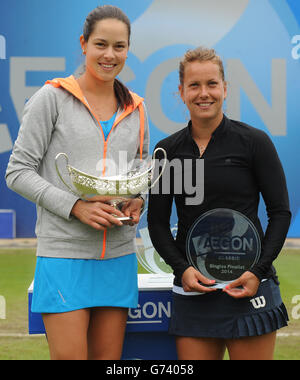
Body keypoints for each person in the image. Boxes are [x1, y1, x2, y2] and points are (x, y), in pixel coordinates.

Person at [6, 5, 149, 360]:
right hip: (64, 256)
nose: (109, 54)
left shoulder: (137, 108)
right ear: (83, 44)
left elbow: (138, 171)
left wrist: (137, 200)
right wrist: (75, 207)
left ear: (128, 50)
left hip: (118, 256)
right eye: (101, 44)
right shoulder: (50, 99)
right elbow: (17, 171)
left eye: (119, 46)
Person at [147, 47, 291, 360]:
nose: (204, 93)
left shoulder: (254, 142)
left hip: (249, 287)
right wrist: (182, 269)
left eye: (212, 84)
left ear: (225, 88)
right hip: (194, 290)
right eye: (194, 86)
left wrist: (257, 271)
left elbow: (280, 213)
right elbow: (157, 223)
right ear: (181, 92)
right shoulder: (167, 151)